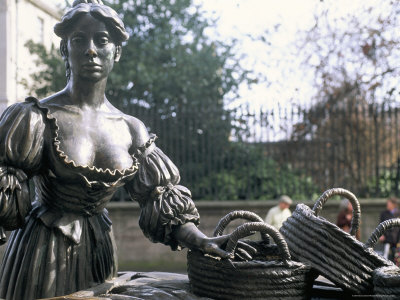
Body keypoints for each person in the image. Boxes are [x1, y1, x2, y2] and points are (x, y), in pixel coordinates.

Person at [0, 1, 229, 299]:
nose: (91, 49)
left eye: (102, 39)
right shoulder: (34, 117)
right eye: (79, 40)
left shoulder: (131, 129)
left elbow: (160, 200)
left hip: (101, 250)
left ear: (116, 51)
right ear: (64, 50)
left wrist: (201, 240)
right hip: (42, 251)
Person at [379, 197, 400, 261]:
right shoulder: (384, 214)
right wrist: (381, 235)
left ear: (393, 204)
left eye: (389, 203)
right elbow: (380, 226)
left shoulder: (398, 213)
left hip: (396, 240)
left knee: (396, 258)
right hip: (387, 240)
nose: (387, 205)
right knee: (385, 257)